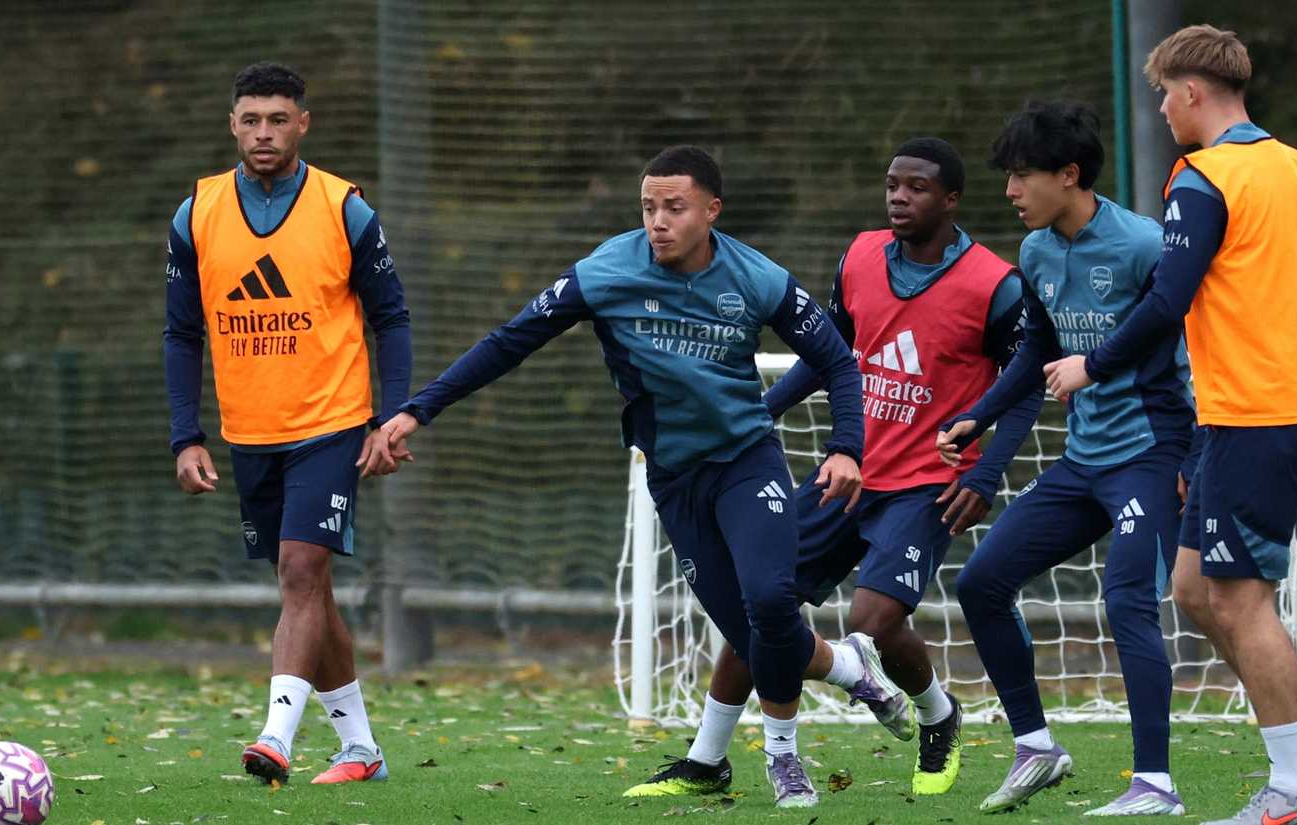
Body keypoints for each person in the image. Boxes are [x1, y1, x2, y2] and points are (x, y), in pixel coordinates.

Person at [382, 145, 875, 809]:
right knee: (757, 633)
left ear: (712, 210)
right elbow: (509, 341)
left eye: (674, 207)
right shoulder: (606, 270)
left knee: (769, 600)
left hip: (748, 461)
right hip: (673, 476)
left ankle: (785, 760)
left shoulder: (757, 277)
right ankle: (847, 666)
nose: (658, 221)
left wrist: (847, 447)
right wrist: (419, 408)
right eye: (648, 207)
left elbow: (838, 362)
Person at [1042, 26, 1297, 825]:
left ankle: (1293, 790)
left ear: (1194, 92)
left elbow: (1165, 299)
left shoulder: (1203, 178)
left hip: (1251, 417)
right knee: (1194, 589)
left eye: (1165, 93)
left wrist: (1091, 365)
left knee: (1237, 600)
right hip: (1273, 412)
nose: (1161, 108)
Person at [623, 137, 1037, 801]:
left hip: (927, 483)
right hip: (847, 471)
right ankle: (707, 758)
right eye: (892, 185)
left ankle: (935, 711)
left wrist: (985, 474)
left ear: (952, 199)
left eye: (918, 187)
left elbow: (1025, 385)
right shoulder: (862, 256)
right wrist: (765, 410)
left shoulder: (995, 283)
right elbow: (828, 351)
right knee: (764, 606)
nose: (899, 197)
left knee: (873, 617)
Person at [937, 101, 1196, 816]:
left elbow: (1194, 342)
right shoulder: (1037, 252)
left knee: (1131, 601)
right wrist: (977, 415)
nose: (1011, 191)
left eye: (1022, 176)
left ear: (1069, 175)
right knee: (982, 581)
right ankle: (1037, 746)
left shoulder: (1144, 245)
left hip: (1151, 454)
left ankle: (1157, 785)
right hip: (1084, 462)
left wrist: (1196, 451)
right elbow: (1037, 351)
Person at [162, 61, 413, 787]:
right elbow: (182, 334)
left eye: (278, 119)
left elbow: (391, 317)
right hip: (249, 430)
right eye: (251, 119)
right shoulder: (197, 212)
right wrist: (187, 433)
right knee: (310, 590)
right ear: (232, 124)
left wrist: (391, 415)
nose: (264, 132)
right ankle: (361, 748)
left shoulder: (344, 208)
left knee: (300, 570)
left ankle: (274, 737)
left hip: (333, 421)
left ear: (303, 123)